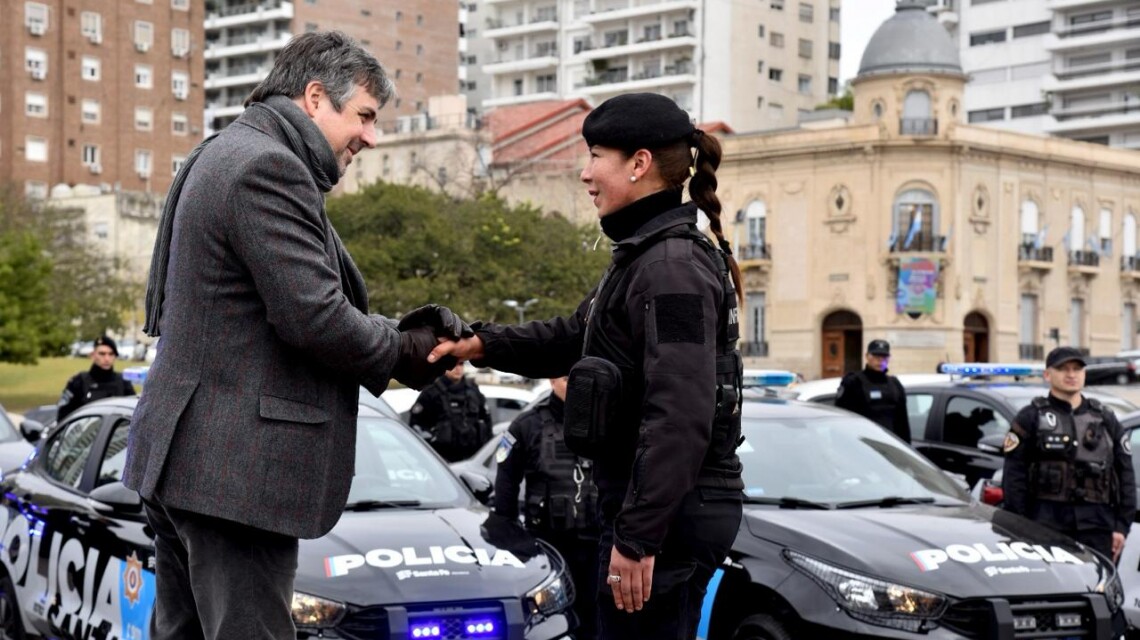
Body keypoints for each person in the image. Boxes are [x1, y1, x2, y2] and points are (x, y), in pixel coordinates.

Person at [122, 31, 467, 640]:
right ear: (314, 97)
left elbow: (285, 308)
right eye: (363, 116)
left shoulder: (226, 150)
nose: (371, 135)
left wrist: (393, 333)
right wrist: (406, 350)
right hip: (233, 476)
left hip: (193, 463)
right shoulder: (268, 167)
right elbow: (316, 318)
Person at [430, 92, 745, 640]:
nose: (585, 174)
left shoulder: (670, 266)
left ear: (639, 163)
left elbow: (680, 412)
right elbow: (573, 338)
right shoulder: (646, 257)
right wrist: (476, 344)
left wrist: (639, 538)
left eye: (596, 155)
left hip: (664, 521)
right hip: (655, 513)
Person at [1002, 346, 1136, 562]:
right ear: (1047, 375)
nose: (1071, 374)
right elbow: (1013, 477)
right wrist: (1022, 526)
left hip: (1098, 527)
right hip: (1045, 526)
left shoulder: (1105, 418)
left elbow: (1125, 474)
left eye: (1077, 369)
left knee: (1098, 590)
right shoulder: (1031, 417)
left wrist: (1122, 527)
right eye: (1063, 369)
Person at [494, 376, 600, 639]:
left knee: (596, 623)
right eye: (567, 379)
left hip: (597, 547)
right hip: (547, 550)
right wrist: (510, 540)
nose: (576, 386)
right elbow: (505, 484)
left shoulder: (603, 423)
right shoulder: (527, 425)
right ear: (553, 380)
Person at [410, 361, 493, 462]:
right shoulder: (431, 392)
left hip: (472, 459)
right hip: (441, 460)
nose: (458, 368)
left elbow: (487, 420)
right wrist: (431, 443)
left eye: (461, 364)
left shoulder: (473, 391)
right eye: (454, 364)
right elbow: (416, 425)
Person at [835, 339, 911, 443]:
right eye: (876, 356)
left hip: (890, 445)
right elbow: (841, 419)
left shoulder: (895, 384)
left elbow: (902, 423)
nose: (880, 361)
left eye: (884, 357)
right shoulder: (853, 382)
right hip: (862, 444)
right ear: (867, 356)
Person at [57, 336, 136, 421]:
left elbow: (133, 414)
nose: (107, 359)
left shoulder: (124, 382)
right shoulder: (78, 381)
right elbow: (63, 416)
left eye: (111, 354)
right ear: (93, 355)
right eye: (102, 354)